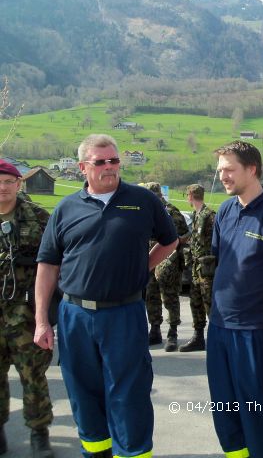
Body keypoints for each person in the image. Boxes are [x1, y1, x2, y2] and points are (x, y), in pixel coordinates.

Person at [33, 134, 178, 458]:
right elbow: (48, 265)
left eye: (114, 161)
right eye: (101, 162)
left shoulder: (142, 200)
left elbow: (170, 241)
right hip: (75, 316)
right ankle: (96, 452)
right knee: (83, 392)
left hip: (124, 314)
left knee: (130, 393)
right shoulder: (66, 208)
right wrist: (42, 321)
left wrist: (142, 270)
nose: (110, 167)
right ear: (83, 167)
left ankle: (134, 452)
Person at [206, 141, 263, 458]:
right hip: (219, 328)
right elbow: (224, 261)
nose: (223, 176)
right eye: (220, 170)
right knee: (226, 412)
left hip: (256, 333)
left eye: (229, 169)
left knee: (259, 414)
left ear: (252, 169)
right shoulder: (224, 211)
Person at [0, 160, 54, 457]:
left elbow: (57, 261)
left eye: (9, 182)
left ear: (18, 185)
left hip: (25, 313)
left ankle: (39, 432)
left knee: (33, 374)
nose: (3, 188)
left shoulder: (38, 217)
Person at [143, 182, 189, 352]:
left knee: (169, 297)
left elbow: (184, 235)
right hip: (149, 258)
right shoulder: (145, 211)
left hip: (168, 260)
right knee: (151, 296)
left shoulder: (171, 211)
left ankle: (172, 333)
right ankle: (155, 330)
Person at [179, 183, 215, 352]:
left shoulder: (209, 215)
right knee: (195, 303)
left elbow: (218, 242)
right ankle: (198, 337)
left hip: (207, 270)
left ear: (191, 195)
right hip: (195, 268)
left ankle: (216, 339)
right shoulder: (196, 215)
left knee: (210, 304)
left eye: (187, 195)